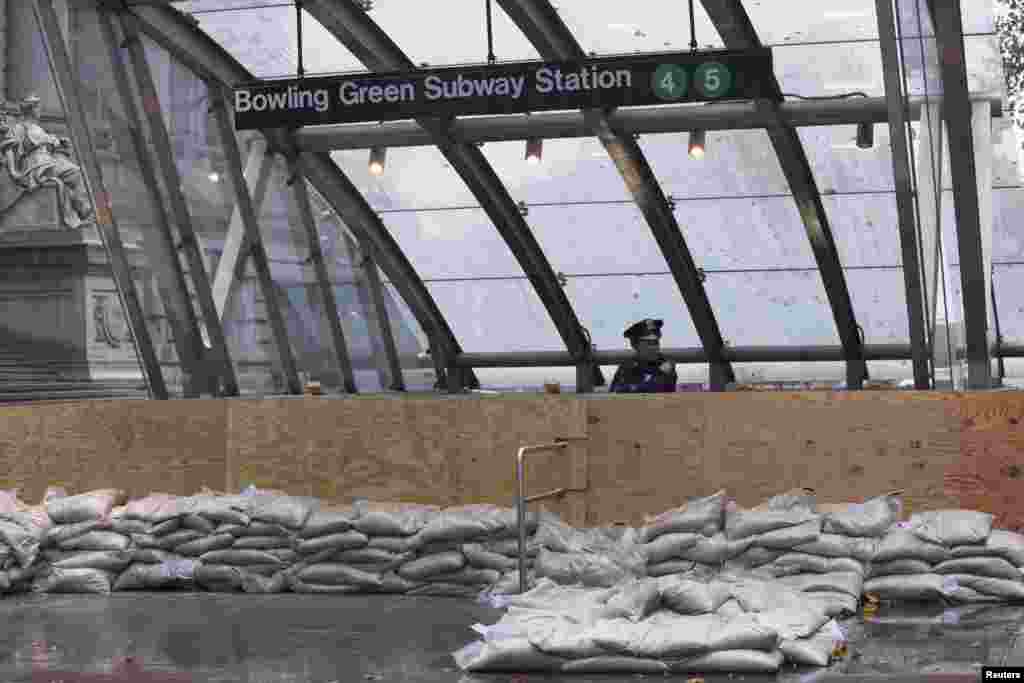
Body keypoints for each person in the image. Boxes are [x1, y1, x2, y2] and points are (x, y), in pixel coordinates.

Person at [609, 318, 678, 393]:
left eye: (655, 343)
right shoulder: (627, 366)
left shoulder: (666, 365)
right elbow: (615, 393)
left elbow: (656, 389)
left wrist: (634, 388)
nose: (653, 348)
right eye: (648, 344)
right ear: (635, 345)